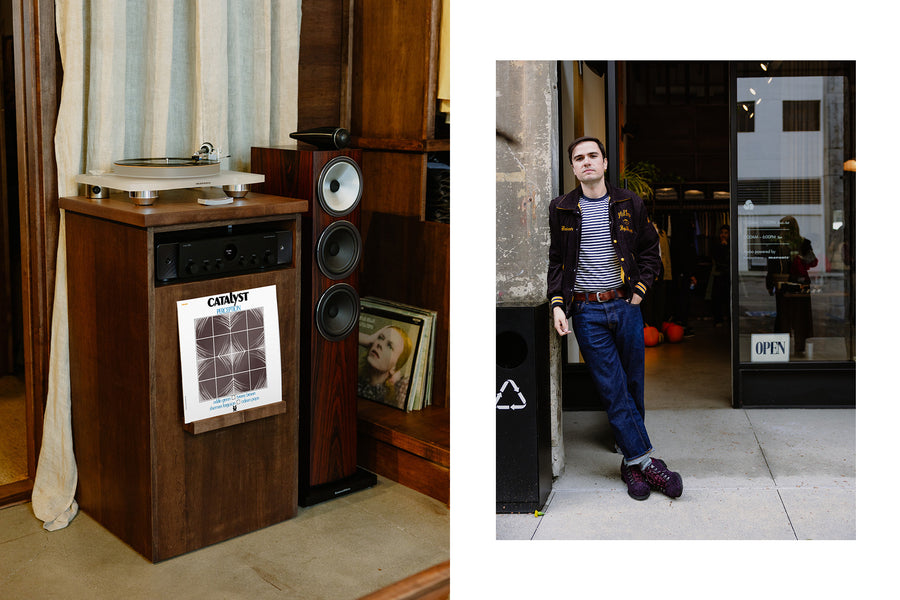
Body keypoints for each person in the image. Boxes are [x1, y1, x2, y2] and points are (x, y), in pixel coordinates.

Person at [547, 136, 683, 501]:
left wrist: (639, 291)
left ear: (605, 163)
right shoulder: (561, 208)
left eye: (593, 156)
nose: (587, 162)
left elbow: (649, 252)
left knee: (633, 384)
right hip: (587, 311)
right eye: (579, 158)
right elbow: (558, 262)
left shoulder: (629, 202)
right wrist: (558, 304)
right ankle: (648, 463)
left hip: (625, 306)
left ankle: (630, 466)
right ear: (573, 168)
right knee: (611, 386)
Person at [358, 325, 413, 409]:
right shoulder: (355, 378)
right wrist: (367, 339)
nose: (379, 344)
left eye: (389, 346)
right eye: (380, 338)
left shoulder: (401, 388)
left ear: (395, 366)